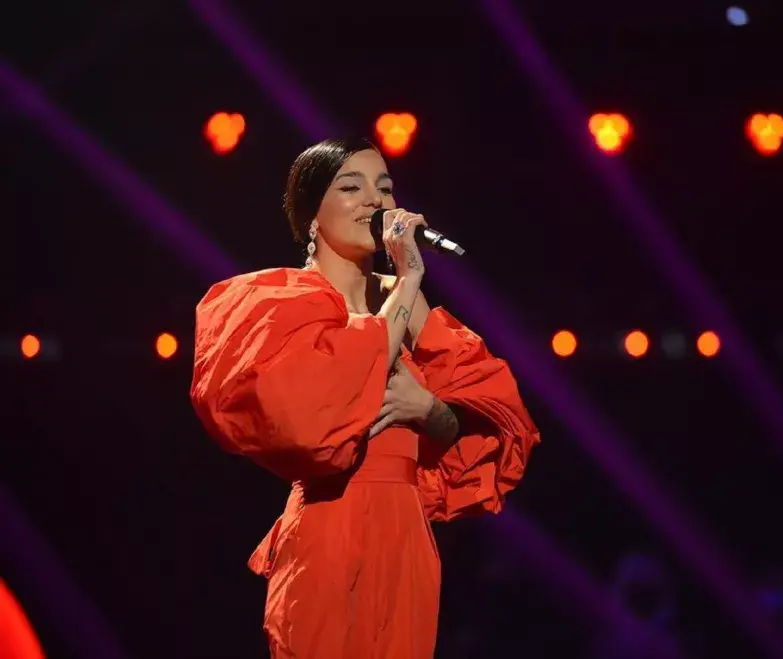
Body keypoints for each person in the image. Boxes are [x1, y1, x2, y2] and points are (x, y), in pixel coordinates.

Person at [189, 137, 540, 659]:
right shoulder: (277, 301)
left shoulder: (405, 301)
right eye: (351, 187)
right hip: (332, 525)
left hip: (405, 534)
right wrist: (410, 280)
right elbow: (308, 419)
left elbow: (492, 416)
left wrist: (431, 410)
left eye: (385, 187)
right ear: (312, 216)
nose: (375, 200)